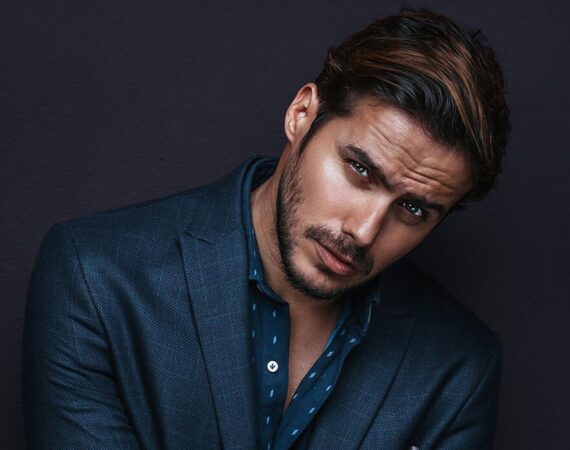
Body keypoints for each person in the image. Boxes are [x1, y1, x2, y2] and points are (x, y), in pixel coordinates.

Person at [22, 8, 510, 450]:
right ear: (302, 115)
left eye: (413, 209)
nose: (364, 232)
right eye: (360, 170)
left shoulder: (457, 368)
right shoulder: (95, 277)